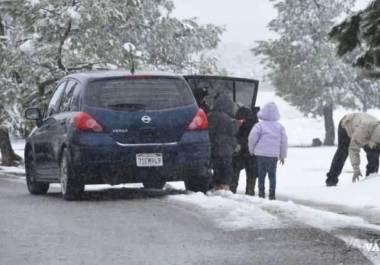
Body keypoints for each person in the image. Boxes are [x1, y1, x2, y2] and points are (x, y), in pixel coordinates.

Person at [326, 113, 380, 186]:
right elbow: (353, 149)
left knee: (374, 155)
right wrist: (356, 168)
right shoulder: (362, 131)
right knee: (342, 153)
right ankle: (331, 180)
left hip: (365, 126)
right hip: (346, 125)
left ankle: (370, 181)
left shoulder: (376, 133)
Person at [248, 102, 288, 200]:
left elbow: (252, 138)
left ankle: (261, 193)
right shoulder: (280, 127)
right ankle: (272, 194)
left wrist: (251, 150)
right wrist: (282, 155)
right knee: (272, 175)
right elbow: (284, 142)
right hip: (273, 155)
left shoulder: (259, 126)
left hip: (260, 155)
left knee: (261, 175)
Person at [208, 93, 241, 191]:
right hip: (225, 148)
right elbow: (232, 131)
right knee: (226, 170)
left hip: (213, 147)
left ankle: (215, 186)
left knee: (216, 168)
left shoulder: (209, 116)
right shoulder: (226, 118)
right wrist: (237, 124)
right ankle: (224, 187)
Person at [231, 106, 259, 195]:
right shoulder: (256, 124)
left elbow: (236, 135)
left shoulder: (239, 124)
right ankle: (250, 192)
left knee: (235, 171)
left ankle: (232, 190)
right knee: (251, 175)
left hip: (240, 152)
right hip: (251, 153)